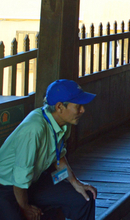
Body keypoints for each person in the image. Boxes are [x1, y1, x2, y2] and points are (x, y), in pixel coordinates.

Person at [0, 79, 97, 220]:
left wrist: (76, 183)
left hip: (34, 181)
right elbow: (19, 180)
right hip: (7, 187)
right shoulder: (34, 129)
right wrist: (25, 207)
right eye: (78, 106)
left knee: (84, 197)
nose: (83, 110)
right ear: (59, 107)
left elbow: (58, 158)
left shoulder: (63, 123)